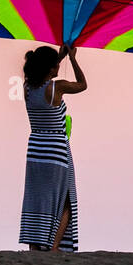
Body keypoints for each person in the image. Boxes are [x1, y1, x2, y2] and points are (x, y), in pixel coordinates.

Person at [19, 44, 87, 253]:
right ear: (51, 68)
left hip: (35, 149)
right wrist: (73, 59)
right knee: (65, 199)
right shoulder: (57, 87)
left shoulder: (27, 88)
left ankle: (34, 244)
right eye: (56, 65)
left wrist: (61, 54)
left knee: (37, 198)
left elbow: (43, 70)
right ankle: (54, 247)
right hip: (56, 149)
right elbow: (82, 84)